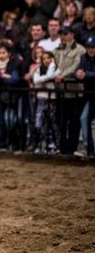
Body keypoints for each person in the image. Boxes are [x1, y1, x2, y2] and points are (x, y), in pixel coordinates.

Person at [54, 26, 86, 154]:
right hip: (60, 92)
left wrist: (62, 75)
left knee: (74, 122)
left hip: (75, 92)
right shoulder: (57, 49)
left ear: (72, 35)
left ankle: (72, 148)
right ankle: (61, 148)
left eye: (65, 33)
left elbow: (76, 66)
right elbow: (52, 64)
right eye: (61, 34)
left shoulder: (80, 49)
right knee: (61, 122)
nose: (62, 36)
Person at [0, 45, 20, 150]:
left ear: (8, 54)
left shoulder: (13, 65)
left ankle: (10, 143)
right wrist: (2, 76)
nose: (1, 55)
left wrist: (2, 78)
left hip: (10, 98)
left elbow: (15, 79)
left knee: (9, 120)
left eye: (3, 53)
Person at [32, 51, 59, 154]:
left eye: (48, 58)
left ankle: (52, 145)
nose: (46, 60)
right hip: (40, 99)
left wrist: (52, 66)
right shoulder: (39, 69)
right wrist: (47, 79)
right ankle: (39, 145)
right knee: (39, 123)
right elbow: (36, 81)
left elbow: (51, 75)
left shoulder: (56, 69)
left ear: (52, 59)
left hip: (51, 99)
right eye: (44, 58)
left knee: (52, 123)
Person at [75, 36, 95, 156]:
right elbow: (79, 70)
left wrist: (86, 74)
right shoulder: (83, 57)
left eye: (93, 47)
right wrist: (78, 73)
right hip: (88, 94)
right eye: (88, 47)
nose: (90, 49)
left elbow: (87, 73)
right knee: (84, 118)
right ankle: (89, 148)